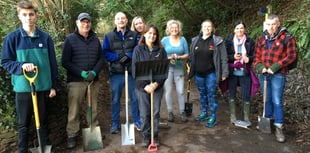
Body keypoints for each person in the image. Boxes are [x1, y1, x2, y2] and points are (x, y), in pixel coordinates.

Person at [1, 1, 58, 152]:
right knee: (23, 124)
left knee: (44, 121)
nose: (28, 18)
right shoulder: (12, 39)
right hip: (23, 88)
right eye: (24, 15)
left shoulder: (45, 38)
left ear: (36, 16)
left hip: (43, 87)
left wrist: (53, 85)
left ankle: (44, 148)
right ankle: (22, 150)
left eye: (31, 14)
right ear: (19, 16)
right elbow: (5, 62)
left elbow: (52, 63)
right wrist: (21, 66)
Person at [61, 12, 104, 149]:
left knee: (93, 108)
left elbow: (101, 59)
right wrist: (81, 73)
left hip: (93, 80)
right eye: (83, 22)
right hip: (76, 81)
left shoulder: (95, 39)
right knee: (74, 109)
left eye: (88, 22)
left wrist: (94, 72)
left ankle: (93, 130)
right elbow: (65, 61)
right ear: (77, 23)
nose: (86, 24)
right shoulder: (70, 39)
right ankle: (72, 135)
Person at [254, 14, 297, 143]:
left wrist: (277, 66)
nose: (271, 27)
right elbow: (256, 56)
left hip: (278, 74)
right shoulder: (262, 37)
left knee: (277, 100)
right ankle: (267, 121)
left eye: (273, 24)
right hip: (264, 74)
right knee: (266, 99)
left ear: (278, 24)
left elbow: (292, 56)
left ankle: (279, 126)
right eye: (268, 24)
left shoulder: (287, 37)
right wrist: (260, 66)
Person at [102, 12, 141, 134]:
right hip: (116, 73)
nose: (121, 20)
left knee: (134, 98)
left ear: (127, 20)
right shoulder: (108, 36)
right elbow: (105, 53)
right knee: (115, 99)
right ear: (115, 21)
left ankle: (136, 121)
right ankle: (115, 122)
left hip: (131, 72)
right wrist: (118, 56)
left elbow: (138, 50)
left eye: (123, 18)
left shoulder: (134, 35)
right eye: (118, 19)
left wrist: (129, 56)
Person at [132, 24, 167, 147]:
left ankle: (154, 135)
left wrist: (156, 84)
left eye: (154, 34)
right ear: (144, 34)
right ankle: (146, 136)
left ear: (157, 36)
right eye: (149, 33)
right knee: (145, 113)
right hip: (142, 88)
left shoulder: (161, 51)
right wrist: (145, 86)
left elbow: (164, 72)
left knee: (155, 112)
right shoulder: (138, 49)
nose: (152, 35)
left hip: (157, 87)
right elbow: (135, 70)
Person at [188, 19, 228, 128]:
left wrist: (224, 72)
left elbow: (224, 58)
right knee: (202, 94)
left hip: (211, 73)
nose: (206, 28)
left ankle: (213, 116)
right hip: (198, 73)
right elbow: (191, 57)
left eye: (209, 26)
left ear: (212, 28)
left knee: (212, 94)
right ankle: (204, 113)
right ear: (201, 28)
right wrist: (190, 68)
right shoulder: (195, 40)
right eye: (204, 26)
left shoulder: (217, 41)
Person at [225, 21, 255, 126]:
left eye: (241, 28)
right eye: (237, 28)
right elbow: (224, 56)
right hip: (232, 72)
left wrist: (248, 59)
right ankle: (233, 115)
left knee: (246, 94)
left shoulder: (250, 41)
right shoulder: (228, 41)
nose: (239, 30)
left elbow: (253, 56)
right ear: (234, 30)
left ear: (245, 30)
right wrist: (232, 57)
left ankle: (246, 117)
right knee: (232, 93)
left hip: (244, 71)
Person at [161, 19, 189, 122]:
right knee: (168, 91)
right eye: (172, 28)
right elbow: (160, 54)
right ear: (169, 29)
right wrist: (168, 58)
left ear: (179, 29)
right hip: (167, 68)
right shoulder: (164, 40)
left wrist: (179, 57)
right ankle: (170, 112)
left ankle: (182, 112)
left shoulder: (183, 39)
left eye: (176, 28)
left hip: (179, 67)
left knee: (180, 91)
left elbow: (187, 54)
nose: (174, 29)